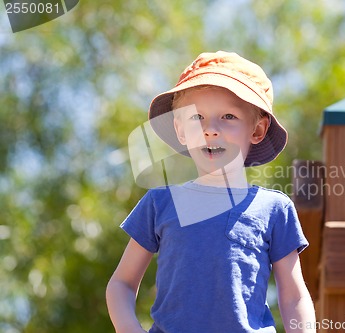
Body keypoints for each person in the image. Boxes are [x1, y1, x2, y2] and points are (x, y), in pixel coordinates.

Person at [106, 51, 316, 333]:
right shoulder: (160, 203)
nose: (210, 130)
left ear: (257, 129)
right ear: (180, 130)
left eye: (228, 116)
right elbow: (122, 283)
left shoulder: (275, 209)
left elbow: (294, 295)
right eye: (196, 117)